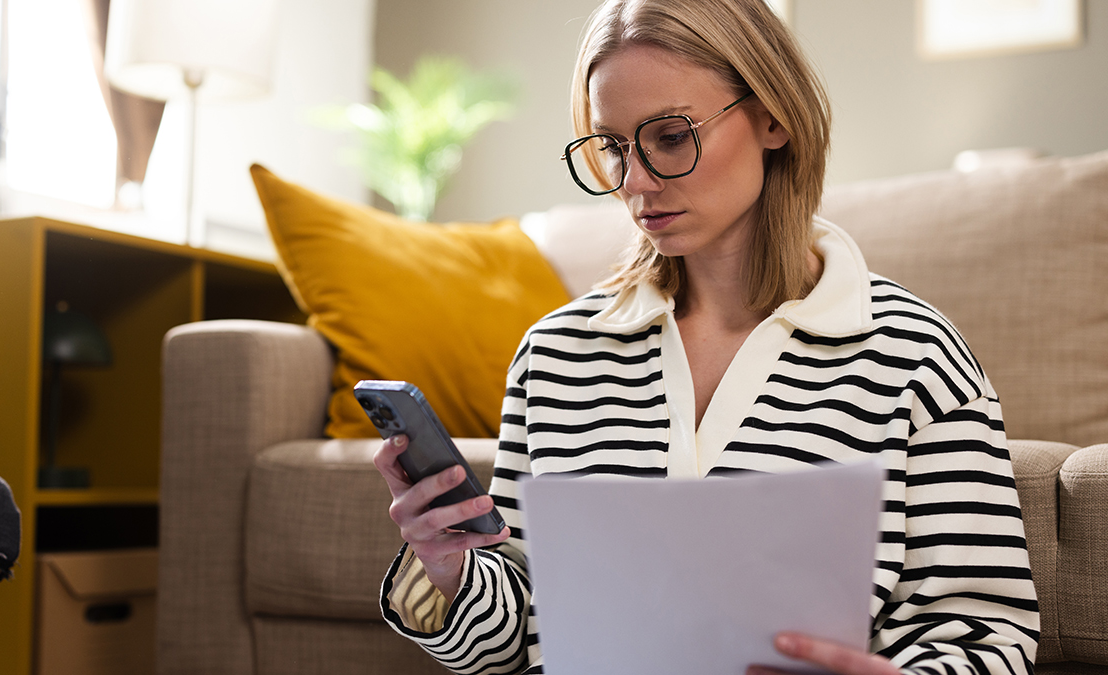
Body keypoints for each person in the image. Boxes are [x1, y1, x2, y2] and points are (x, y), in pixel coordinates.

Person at [372, 0, 1040, 673]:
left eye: (670, 137)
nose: (635, 183)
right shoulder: (555, 355)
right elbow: (516, 646)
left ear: (773, 116)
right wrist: (450, 567)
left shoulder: (916, 356)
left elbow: (988, 636)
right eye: (613, 148)